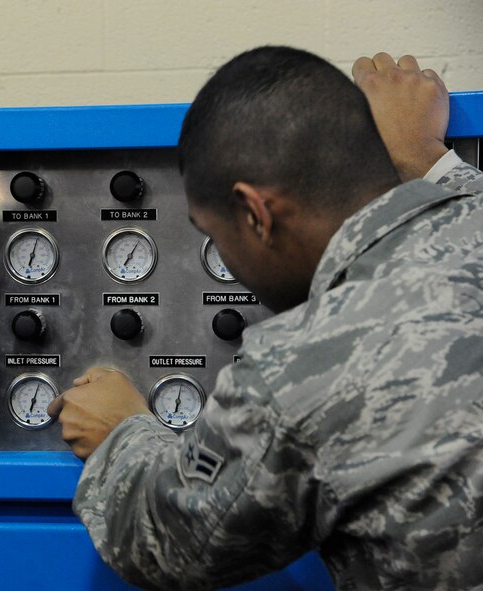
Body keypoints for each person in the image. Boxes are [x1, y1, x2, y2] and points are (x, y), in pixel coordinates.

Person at [48, 46, 482, 590]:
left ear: (255, 213)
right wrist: (423, 156)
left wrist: (120, 431)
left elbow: (166, 543)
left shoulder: (298, 368)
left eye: (215, 235)